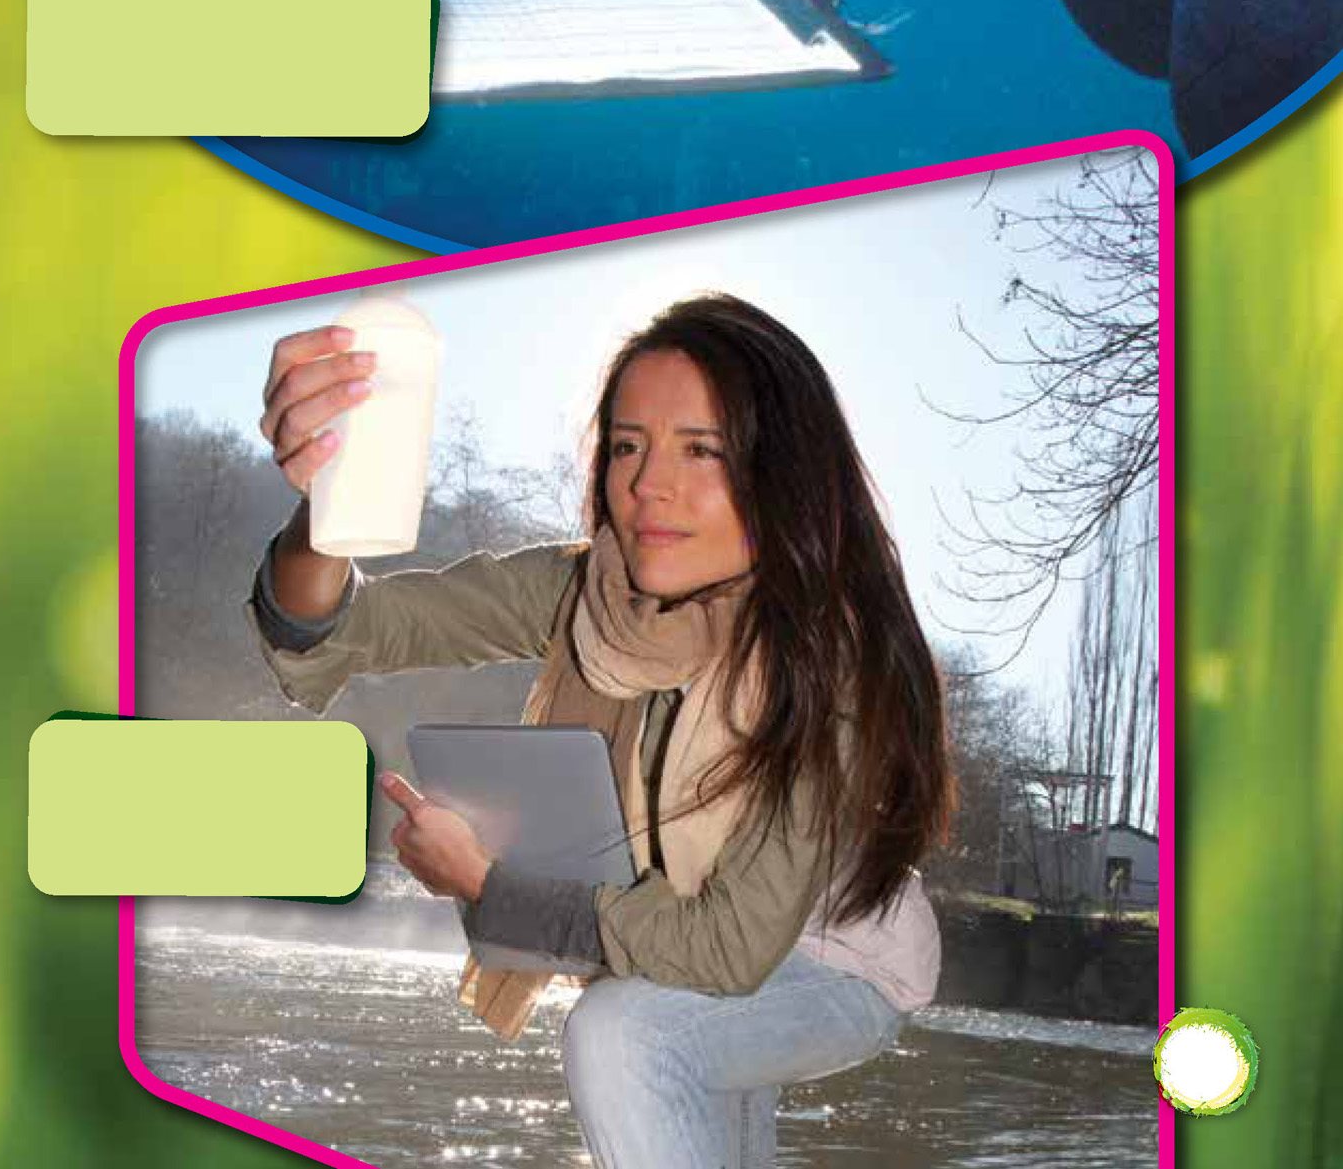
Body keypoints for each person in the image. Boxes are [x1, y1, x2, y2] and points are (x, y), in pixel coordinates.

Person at [249, 293, 953, 1168]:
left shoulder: (825, 658)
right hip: (662, 939)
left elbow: (729, 948)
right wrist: (328, 505)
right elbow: (355, 630)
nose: (648, 483)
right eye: (628, 445)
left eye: (702, 449)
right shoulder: (590, 592)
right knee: (654, 1027)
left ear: (785, 474)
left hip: (832, 961)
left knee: (624, 1032)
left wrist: (491, 883)